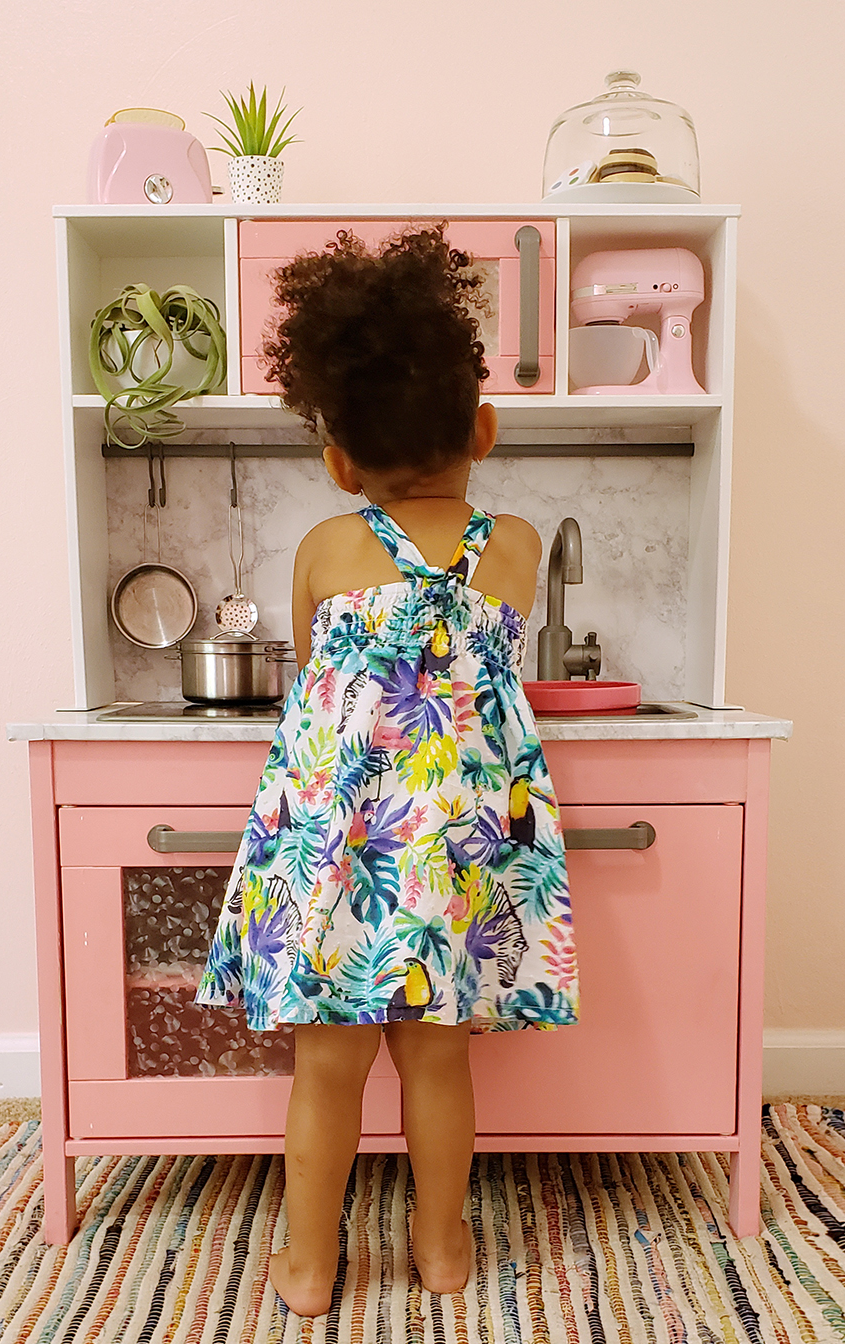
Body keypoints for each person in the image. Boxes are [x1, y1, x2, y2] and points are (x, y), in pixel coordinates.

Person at [195, 225, 579, 1317]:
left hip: (343, 847)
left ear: (338, 462)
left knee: (327, 1068)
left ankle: (311, 1266)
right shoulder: (514, 547)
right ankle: (445, 1247)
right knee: (438, 1063)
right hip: (453, 851)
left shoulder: (323, 546)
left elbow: (318, 662)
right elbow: (497, 638)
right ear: (486, 427)